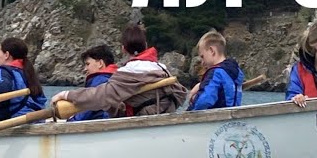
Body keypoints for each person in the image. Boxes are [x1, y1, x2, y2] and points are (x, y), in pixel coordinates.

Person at [50, 23, 187, 117]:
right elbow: (181, 95)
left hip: (143, 125)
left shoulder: (128, 72)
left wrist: (66, 94)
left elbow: (100, 95)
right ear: (145, 45)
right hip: (163, 118)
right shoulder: (162, 69)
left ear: (123, 49)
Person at [186, 30, 245, 111]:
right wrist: (201, 85)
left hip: (217, 116)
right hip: (232, 114)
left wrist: (190, 110)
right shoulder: (235, 71)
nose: (202, 62)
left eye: (202, 56)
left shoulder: (215, 73)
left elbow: (204, 100)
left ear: (211, 51)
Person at [67, 44, 121, 122]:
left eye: (88, 64)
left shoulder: (100, 80)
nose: (85, 69)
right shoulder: (117, 78)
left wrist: (71, 121)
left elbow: (88, 109)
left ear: (100, 63)